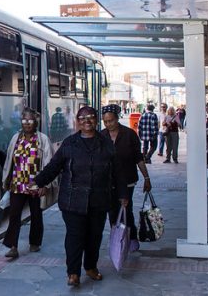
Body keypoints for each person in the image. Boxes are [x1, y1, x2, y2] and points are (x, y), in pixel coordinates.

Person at [31, 106, 128, 287]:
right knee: (75, 236)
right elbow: (54, 166)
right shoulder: (69, 143)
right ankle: (73, 273)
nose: (87, 121)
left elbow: (118, 172)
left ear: (96, 120)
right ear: (78, 121)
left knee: (94, 236)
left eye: (90, 117)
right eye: (82, 118)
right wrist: (38, 181)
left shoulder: (106, 144)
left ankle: (90, 267)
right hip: (72, 201)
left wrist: (123, 194)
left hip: (98, 200)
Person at [1, 108, 53, 258]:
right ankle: (13, 246)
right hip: (17, 184)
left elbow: (49, 163)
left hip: (35, 184)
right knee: (14, 214)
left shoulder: (42, 139)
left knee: (36, 214)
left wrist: (45, 184)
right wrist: (7, 181)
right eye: (24, 120)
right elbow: (9, 161)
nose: (27, 123)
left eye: (30, 120)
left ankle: (35, 242)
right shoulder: (15, 138)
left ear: (35, 122)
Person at [101, 104, 152, 253]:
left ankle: (132, 237)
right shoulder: (101, 136)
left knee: (126, 209)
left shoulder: (129, 134)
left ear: (117, 119)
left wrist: (147, 178)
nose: (108, 124)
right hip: (108, 181)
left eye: (111, 120)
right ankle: (117, 238)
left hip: (128, 178)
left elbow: (139, 158)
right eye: (105, 121)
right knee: (112, 210)